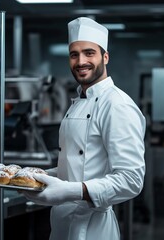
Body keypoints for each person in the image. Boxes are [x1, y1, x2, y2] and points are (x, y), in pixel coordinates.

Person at [22, 17, 146, 240]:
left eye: (89, 53)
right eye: (74, 54)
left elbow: (131, 179)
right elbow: (79, 167)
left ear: (105, 57)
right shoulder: (79, 101)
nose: (81, 61)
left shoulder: (117, 105)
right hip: (61, 223)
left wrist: (72, 191)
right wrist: (40, 177)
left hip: (92, 228)